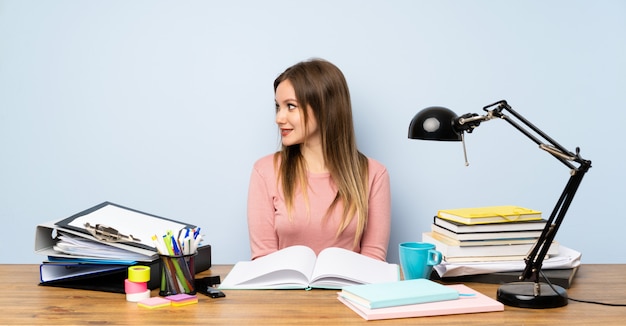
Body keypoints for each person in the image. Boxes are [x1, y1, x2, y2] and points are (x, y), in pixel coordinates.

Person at [247, 58, 391, 261]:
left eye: (290, 106)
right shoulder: (264, 171)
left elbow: (373, 259)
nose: (279, 118)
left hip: (350, 292)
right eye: (278, 107)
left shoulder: (374, 174)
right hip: (285, 291)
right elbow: (263, 257)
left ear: (324, 107)